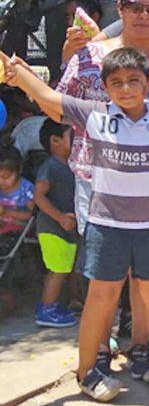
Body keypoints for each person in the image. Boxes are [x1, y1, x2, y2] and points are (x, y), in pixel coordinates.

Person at [1, 47, 149, 402]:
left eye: (133, 81)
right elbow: (50, 98)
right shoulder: (94, 114)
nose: (125, 89)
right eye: (116, 83)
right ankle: (87, 372)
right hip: (106, 226)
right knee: (102, 298)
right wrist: (19, 75)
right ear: (105, 87)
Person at [56, 0, 149, 377]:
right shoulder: (88, 57)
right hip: (96, 183)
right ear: (120, 9)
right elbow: (61, 108)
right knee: (104, 272)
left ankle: (141, 346)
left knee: (147, 275)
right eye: (136, 6)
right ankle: (98, 350)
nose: (145, 16)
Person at [32, 120, 79, 328]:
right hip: (52, 229)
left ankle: (51, 305)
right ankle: (47, 309)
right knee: (58, 270)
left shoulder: (72, 165)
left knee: (62, 268)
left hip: (65, 229)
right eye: (72, 136)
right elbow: (39, 196)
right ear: (55, 141)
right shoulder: (50, 167)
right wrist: (59, 217)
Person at [0, 146, 35, 236]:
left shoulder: (26, 190)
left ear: (19, 169)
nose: (1, 181)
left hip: (18, 228)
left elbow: (33, 215)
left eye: (6, 177)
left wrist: (7, 213)